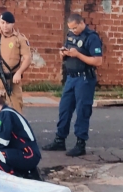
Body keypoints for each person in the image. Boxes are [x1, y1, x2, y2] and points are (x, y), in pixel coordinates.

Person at [42, 14, 103, 157]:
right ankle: (59, 140)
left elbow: (98, 61)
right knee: (64, 108)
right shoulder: (70, 35)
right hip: (71, 78)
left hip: (84, 79)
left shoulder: (91, 37)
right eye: (71, 28)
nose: (73, 31)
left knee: (82, 111)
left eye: (75, 28)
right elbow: (67, 49)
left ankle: (80, 143)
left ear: (82, 23)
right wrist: (63, 53)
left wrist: (78, 55)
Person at [0, 11, 32, 132]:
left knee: (16, 108)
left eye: (8, 23)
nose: (5, 26)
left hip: (12, 80)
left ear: (13, 24)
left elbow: (27, 58)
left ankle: (17, 135)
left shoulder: (19, 39)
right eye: (2, 22)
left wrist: (19, 72)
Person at [0, 93, 42, 181]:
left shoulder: (4, 115)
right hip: (28, 153)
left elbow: (3, 141)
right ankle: (25, 172)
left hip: (29, 155)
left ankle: (13, 180)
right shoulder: (7, 112)